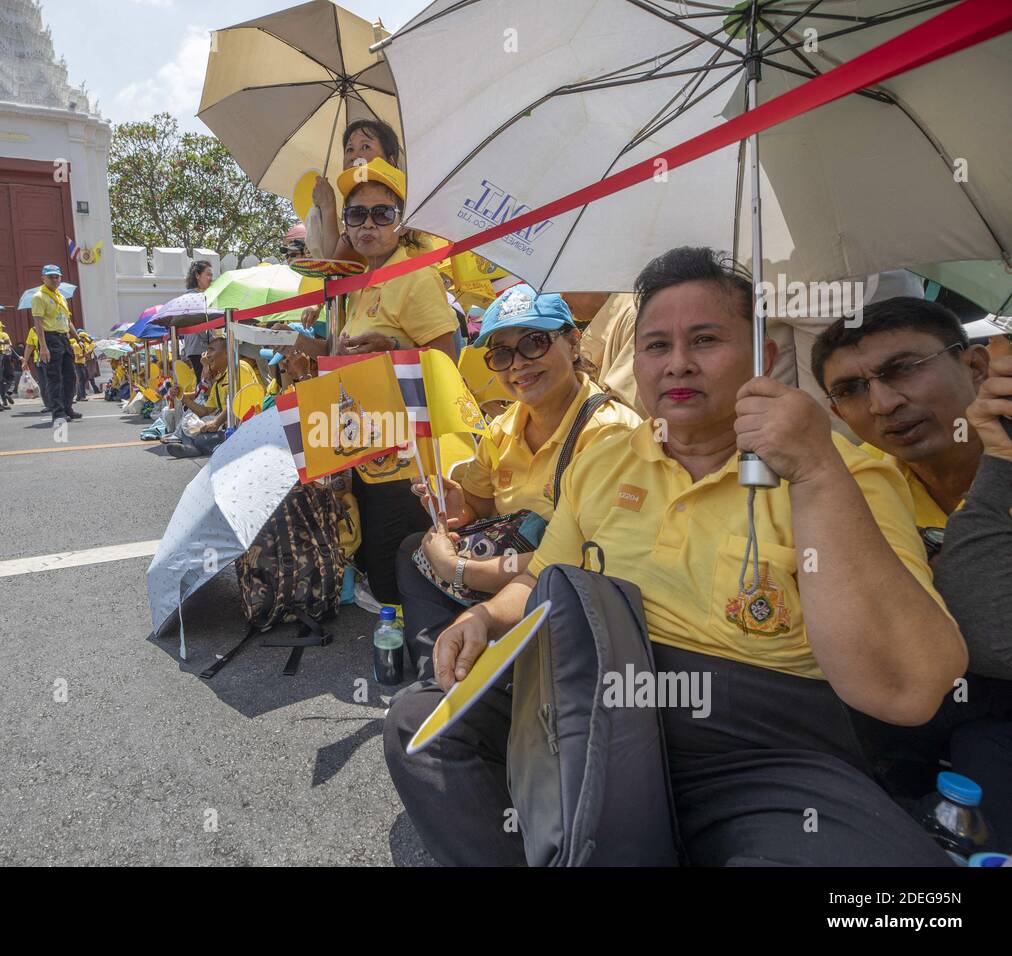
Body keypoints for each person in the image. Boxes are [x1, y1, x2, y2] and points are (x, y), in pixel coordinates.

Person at [384, 246, 966, 867]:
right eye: (657, 346)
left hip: (758, 752)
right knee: (421, 724)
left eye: (706, 339)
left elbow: (911, 689)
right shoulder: (605, 460)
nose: (678, 364)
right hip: (587, 699)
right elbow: (541, 580)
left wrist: (816, 471)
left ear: (764, 356)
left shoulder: (848, 474)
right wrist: (483, 619)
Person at [811, 297, 1012, 839]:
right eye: (851, 390)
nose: (882, 402)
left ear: (976, 366)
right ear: (834, 413)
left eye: (902, 369)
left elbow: (991, 635)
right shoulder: (861, 485)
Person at [396, 286, 642, 679]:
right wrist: (452, 503)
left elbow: (588, 560)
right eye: (503, 353)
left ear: (574, 343)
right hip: (509, 569)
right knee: (412, 549)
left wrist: (459, 568)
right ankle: (443, 672)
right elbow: (477, 508)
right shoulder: (504, 426)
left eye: (534, 342)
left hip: (568, 587)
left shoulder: (609, 434)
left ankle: (472, 675)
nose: (518, 365)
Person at [295, 157, 459, 610]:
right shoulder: (361, 282)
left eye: (382, 213)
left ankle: (423, 660)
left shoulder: (415, 276)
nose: (369, 224)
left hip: (408, 463)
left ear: (401, 223)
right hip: (367, 447)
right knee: (379, 566)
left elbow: (449, 363)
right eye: (357, 214)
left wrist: (390, 349)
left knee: (399, 573)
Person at [309, 119, 403, 261]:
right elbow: (337, 258)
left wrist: (328, 205)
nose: (354, 156)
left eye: (365, 147)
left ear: (390, 162)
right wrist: (326, 204)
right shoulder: (355, 204)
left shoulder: (404, 200)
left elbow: (336, 262)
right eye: (349, 149)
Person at [168, 332, 238, 459]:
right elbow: (203, 411)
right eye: (206, 351)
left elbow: (237, 401)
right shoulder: (219, 380)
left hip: (237, 428)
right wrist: (181, 396)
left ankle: (195, 446)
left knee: (200, 436)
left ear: (227, 352)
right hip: (223, 425)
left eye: (211, 350)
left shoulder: (238, 369)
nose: (207, 355)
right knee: (189, 422)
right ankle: (194, 446)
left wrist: (216, 422)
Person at [30, 265, 81, 425]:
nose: (54, 279)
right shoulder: (39, 296)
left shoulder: (61, 297)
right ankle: (58, 413)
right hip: (49, 338)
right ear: (43, 278)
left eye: (57, 276)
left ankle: (67, 408)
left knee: (70, 376)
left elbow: (67, 320)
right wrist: (43, 346)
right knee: (54, 378)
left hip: (64, 338)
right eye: (50, 276)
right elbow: (38, 322)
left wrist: (78, 338)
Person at [180, 260, 214, 380]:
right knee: (205, 383)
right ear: (197, 275)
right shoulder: (195, 297)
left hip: (195, 348)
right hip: (199, 348)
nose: (211, 278)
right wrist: (213, 341)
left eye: (211, 275)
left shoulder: (192, 296)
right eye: (208, 274)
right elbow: (198, 323)